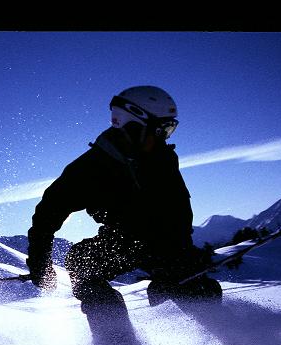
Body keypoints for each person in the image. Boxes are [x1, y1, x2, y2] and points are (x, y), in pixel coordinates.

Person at [25, 85, 221, 310]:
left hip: (164, 239)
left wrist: (182, 255)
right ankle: (115, 334)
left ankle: (227, 328)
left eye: (169, 129)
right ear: (132, 125)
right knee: (81, 263)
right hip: (122, 242)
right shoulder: (91, 168)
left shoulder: (163, 158)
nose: (164, 138)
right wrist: (40, 263)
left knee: (187, 281)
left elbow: (178, 207)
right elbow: (47, 214)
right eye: (161, 129)